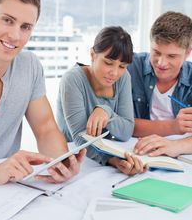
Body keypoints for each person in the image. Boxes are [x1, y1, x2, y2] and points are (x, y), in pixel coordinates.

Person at [0, 0, 86, 187]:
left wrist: (60, 162)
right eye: (7, 20)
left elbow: (45, 128)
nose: (15, 35)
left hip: (6, 191)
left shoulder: (30, 66)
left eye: (25, 27)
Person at [57, 26, 147, 175]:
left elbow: (126, 131)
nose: (114, 73)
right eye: (108, 63)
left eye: (122, 66)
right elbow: (80, 137)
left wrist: (106, 112)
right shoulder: (72, 79)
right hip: (73, 154)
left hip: (109, 149)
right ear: (92, 54)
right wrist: (114, 161)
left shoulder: (123, 78)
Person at [127, 11, 192, 158]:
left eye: (171, 56)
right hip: (135, 152)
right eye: (156, 52)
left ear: (187, 53)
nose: (161, 63)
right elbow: (121, 124)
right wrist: (174, 126)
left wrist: (175, 146)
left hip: (180, 157)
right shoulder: (130, 66)